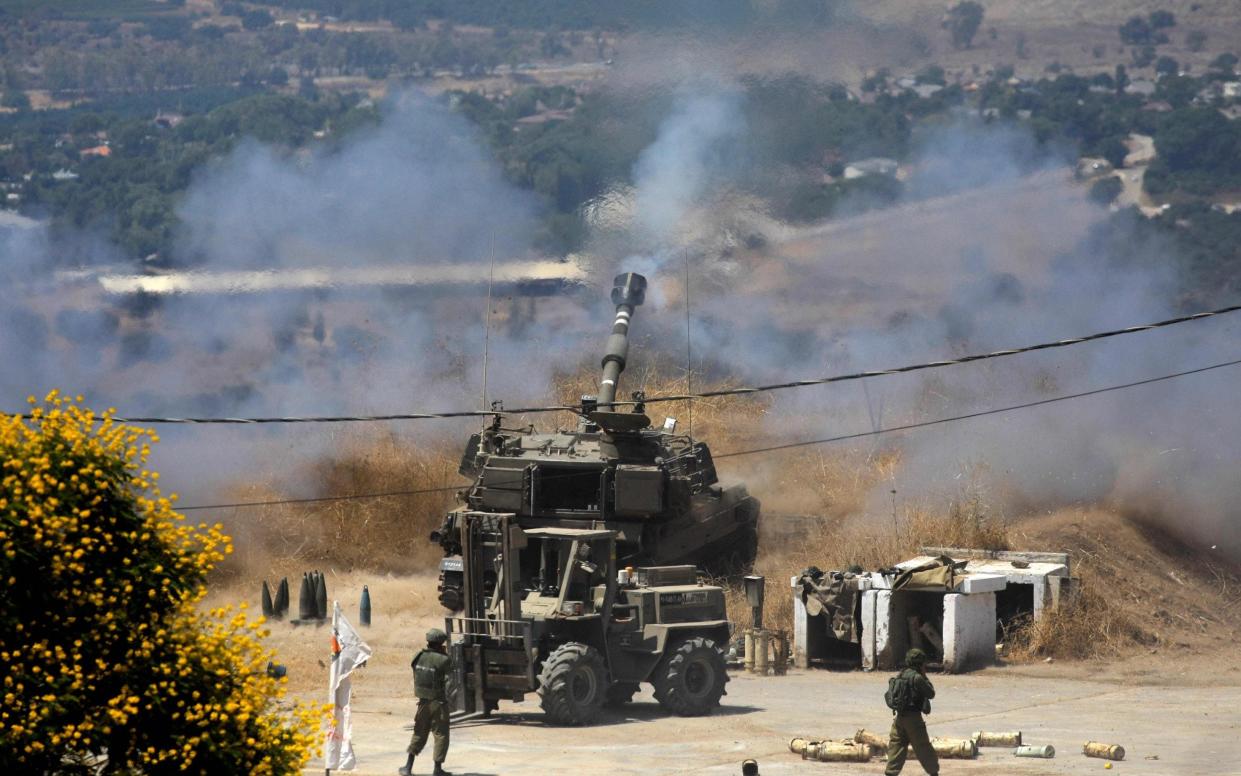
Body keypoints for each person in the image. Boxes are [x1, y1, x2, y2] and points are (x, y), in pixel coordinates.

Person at [399, 628, 452, 776]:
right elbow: (450, 679)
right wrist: (443, 654)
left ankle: (408, 767)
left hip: (422, 703)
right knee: (441, 735)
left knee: (419, 733)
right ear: (440, 643)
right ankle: (437, 769)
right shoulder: (444, 660)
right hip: (439, 703)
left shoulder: (418, 656)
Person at [884, 648, 939, 776]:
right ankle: (933, 772)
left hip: (899, 718)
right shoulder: (917, 678)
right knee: (923, 747)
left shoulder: (901, 674)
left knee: (896, 746)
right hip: (913, 719)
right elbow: (931, 693)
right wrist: (924, 675)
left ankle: (891, 772)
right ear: (919, 663)